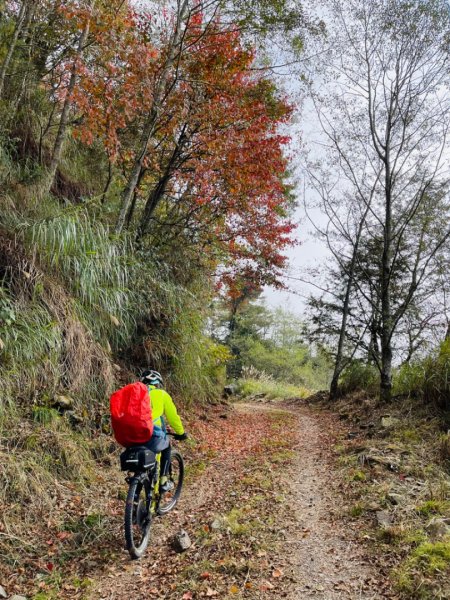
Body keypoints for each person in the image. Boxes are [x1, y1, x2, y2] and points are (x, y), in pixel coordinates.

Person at [140, 369, 187, 492]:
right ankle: (163, 480)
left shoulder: (136, 394)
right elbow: (173, 417)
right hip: (151, 432)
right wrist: (181, 432)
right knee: (166, 446)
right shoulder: (161, 394)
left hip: (131, 433)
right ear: (157, 383)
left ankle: (136, 485)